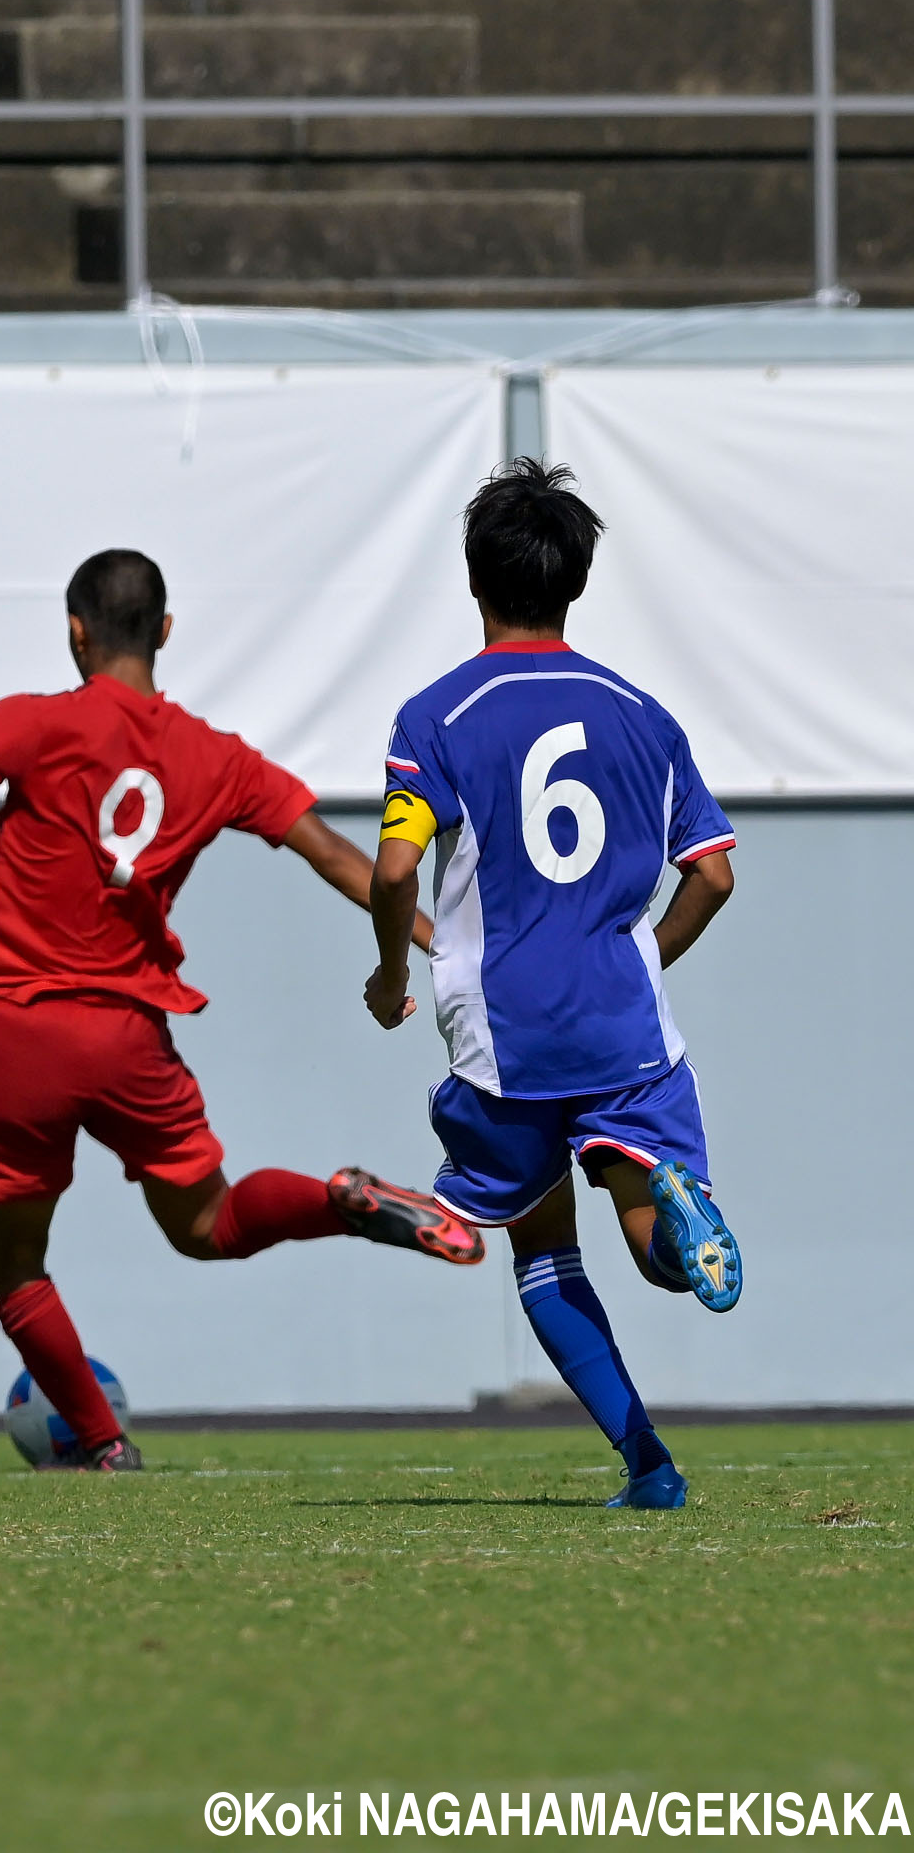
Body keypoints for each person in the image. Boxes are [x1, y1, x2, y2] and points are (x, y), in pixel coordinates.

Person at [0, 548, 483, 1474]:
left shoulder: (34, 725)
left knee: (19, 1269)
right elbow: (334, 855)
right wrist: (441, 944)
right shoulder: (218, 759)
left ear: (75, 630)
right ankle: (338, 1200)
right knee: (208, 1224)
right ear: (165, 633)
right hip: (125, 1041)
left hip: (13, 1036)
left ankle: (105, 1447)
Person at [364, 460, 739, 1511]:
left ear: (474, 578)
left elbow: (396, 867)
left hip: (505, 1037)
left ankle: (648, 1466)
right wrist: (642, 960)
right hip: (624, 1023)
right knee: (649, 1246)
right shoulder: (643, 715)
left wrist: (391, 969)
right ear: (574, 581)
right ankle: (675, 1216)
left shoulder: (435, 716)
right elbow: (710, 873)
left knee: (542, 1255)